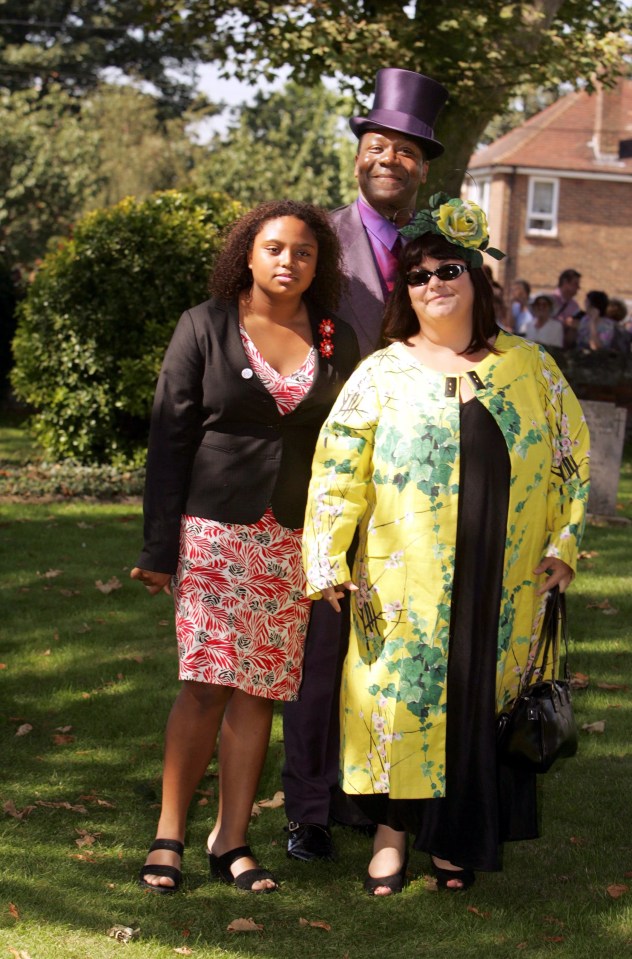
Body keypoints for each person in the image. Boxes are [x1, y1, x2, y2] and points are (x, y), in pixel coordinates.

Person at [301, 193, 590, 896]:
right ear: (407, 290)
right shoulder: (381, 371)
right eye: (420, 275)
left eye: (448, 269)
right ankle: (392, 835)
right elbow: (338, 470)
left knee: (476, 698)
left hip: (504, 572)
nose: (435, 284)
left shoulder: (530, 367)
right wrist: (325, 558)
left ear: (475, 277)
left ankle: (457, 837)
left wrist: (564, 544)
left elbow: (569, 456)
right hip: (404, 582)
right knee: (402, 702)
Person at [132, 200, 359, 894]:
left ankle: (230, 839)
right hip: (214, 532)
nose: (288, 260)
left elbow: (351, 443)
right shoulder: (205, 325)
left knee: (260, 691)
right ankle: (168, 832)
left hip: (292, 538)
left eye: (304, 251)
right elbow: (169, 438)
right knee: (205, 685)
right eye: (274, 247)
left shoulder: (337, 338)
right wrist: (158, 546)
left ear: (319, 264)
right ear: (248, 254)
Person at [282, 67, 449, 862]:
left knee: (401, 646)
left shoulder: (446, 253)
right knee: (322, 644)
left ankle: (384, 801)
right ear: (358, 155)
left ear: (424, 166)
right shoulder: (319, 241)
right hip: (329, 476)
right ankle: (309, 809)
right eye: (374, 144)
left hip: (420, 489)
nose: (386, 158)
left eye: (404, 150)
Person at [551, 268, 582, 349]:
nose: (578, 287)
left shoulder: (575, 305)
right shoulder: (550, 300)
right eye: (575, 284)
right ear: (565, 282)